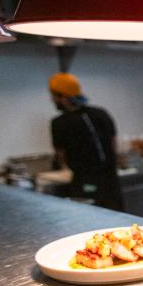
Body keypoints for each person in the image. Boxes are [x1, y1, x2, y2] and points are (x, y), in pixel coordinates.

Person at [49, 72, 122, 210]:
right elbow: (113, 144)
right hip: (111, 181)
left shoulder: (59, 123)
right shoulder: (101, 113)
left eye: (54, 96)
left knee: (93, 222)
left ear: (64, 98)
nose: (52, 100)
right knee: (118, 221)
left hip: (85, 182)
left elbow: (61, 155)